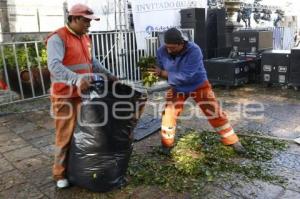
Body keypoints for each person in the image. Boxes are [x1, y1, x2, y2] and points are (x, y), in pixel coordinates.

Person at [46, 3, 116, 188]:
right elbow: (54, 65)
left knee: (83, 133)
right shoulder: (58, 38)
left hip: (82, 94)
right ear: (74, 18)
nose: (89, 25)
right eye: (86, 21)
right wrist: (76, 79)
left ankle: (75, 169)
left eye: (90, 21)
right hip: (64, 96)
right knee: (65, 134)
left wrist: (109, 75)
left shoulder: (85, 37)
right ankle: (59, 174)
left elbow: (92, 61)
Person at [150, 28, 246, 155]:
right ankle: (166, 145)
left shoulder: (194, 50)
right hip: (177, 86)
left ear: (181, 43)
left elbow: (187, 75)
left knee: (214, 111)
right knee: (169, 114)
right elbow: (159, 67)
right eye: (167, 47)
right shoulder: (162, 51)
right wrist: (153, 71)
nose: (169, 50)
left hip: (198, 84)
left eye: (172, 47)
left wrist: (162, 73)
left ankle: (232, 140)